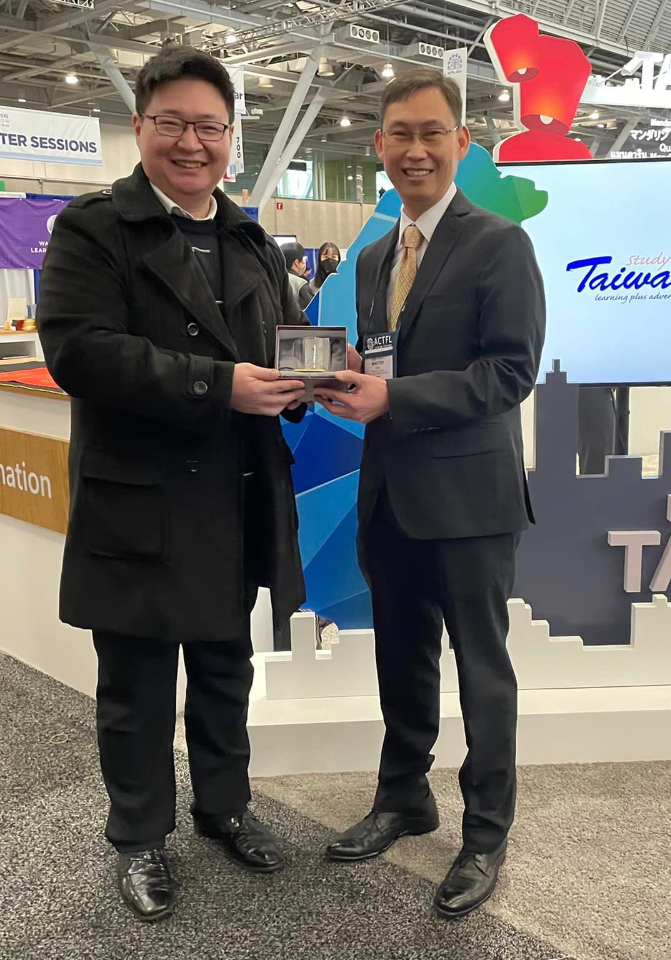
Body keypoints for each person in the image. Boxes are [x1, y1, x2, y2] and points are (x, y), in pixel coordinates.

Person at [36, 46, 309, 923]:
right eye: (173, 123)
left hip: (234, 493)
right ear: (139, 127)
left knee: (227, 668)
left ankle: (224, 807)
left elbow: (286, 339)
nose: (192, 143)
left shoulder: (248, 237)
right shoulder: (93, 229)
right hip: (141, 499)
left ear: (231, 137)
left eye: (209, 127)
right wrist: (217, 385)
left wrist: (310, 380)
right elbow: (79, 351)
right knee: (138, 684)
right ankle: (139, 836)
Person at [313, 69, 545, 919]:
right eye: (400, 135)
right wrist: (350, 376)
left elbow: (510, 371)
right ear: (379, 146)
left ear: (460, 142)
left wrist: (395, 397)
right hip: (391, 493)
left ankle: (485, 832)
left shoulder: (499, 244)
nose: (416, 150)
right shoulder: (378, 256)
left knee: (482, 669)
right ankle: (404, 796)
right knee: (400, 656)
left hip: (472, 501)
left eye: (432, 133)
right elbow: (389, 358)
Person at [298, 241, 340, 309]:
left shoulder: (345, 282)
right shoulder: (312, 285)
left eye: (333, 257)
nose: (329, 260)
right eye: (325, 257)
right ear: (320, 259)